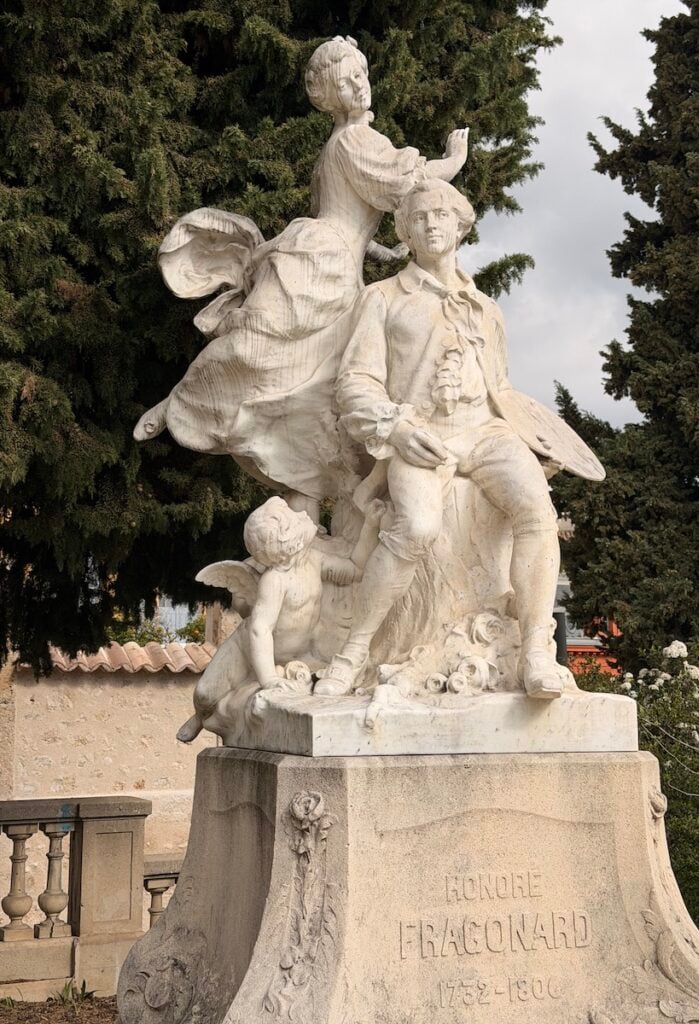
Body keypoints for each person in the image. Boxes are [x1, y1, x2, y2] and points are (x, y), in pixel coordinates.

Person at [134, 36, 469, 514]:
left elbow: (352, 211)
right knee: (256, 343)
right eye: (347, 81)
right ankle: (182, 400)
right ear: (331, 96)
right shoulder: (353, 140)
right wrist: (452, 161)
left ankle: (301, 477)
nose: (360, 85)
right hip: (321, 258)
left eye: (361, 75)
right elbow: (403, 183)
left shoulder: (344, 141)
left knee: (319, 376)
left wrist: (380, 249)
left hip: (340, 263)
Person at [316, 179, 564, 699]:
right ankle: (354, 651)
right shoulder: (383, 298)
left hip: (487, 432)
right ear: (405, 231)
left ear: (460, 225)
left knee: (538, 511)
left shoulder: (486, 308)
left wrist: (536, 441)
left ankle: (537, 650)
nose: (432, 224)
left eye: (442, 214)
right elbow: (355, 382)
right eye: (420, 216)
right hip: (421, 435)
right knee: (417, 527)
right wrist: (398, 429)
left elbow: (501, 389)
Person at [177, 495, 384, 742]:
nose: (303, 514)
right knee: (205, 694)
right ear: (290, 543)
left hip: (295, 654)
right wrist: (269, 680)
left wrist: (370, 525)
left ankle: (222, 709)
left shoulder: (314, 560)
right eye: (295, 519)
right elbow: (259, 630)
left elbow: (355, 569)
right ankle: (199, 716)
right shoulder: (274, 580)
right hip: (247, 648)